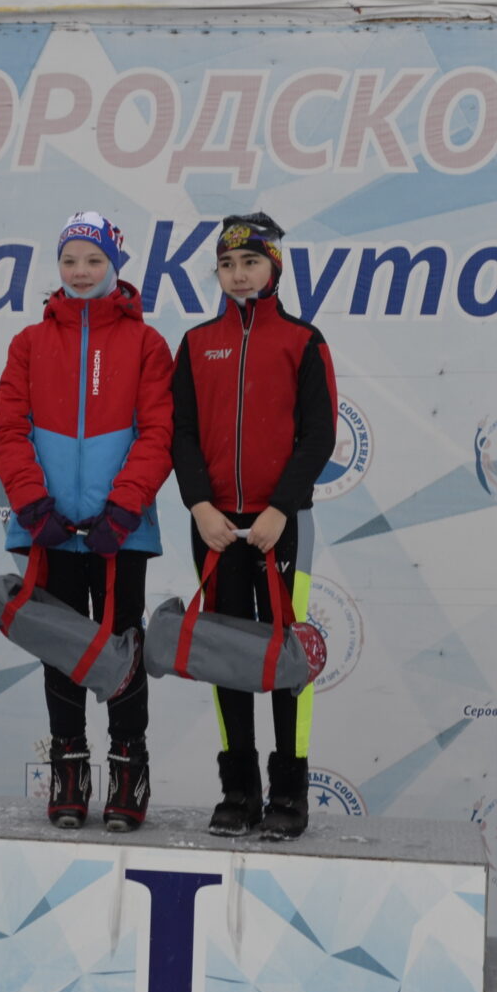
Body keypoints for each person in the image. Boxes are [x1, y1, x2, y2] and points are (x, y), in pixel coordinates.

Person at [0, 212, 173, 831]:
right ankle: (69, 769)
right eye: (70, 259)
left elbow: (159, 432)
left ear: (114, 267)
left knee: (123, 644)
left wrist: (124, 507)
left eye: (93, 260)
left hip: (121, 530)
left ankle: (129, 767)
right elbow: (9, 429)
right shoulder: (29, 343)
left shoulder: (146, 344)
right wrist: (32, 504)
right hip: (50, 529)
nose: (81, 271)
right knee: (61, 649)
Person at [171, 213, 337, 842]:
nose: (239, 274)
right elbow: (181, 433)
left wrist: (279, 509)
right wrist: (201, 507)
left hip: (281, 526)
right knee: (226, 658)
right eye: (227, 264)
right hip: (213, 527)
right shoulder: (195, 342)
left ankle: (289, 794)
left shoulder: (303, 340)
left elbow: (318, 435)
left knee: (283, 656)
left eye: (251, 263)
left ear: (275, 268)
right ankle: (238, 790)